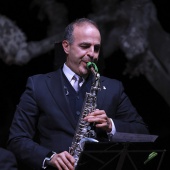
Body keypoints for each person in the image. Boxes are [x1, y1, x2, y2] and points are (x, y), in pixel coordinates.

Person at [7, 18, 149, 170]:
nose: (92, 54)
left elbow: (142, 133)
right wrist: (50, 157)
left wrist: (111, 125)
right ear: (66, 46)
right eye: (85, 46)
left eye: (96, 48)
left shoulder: (114, 87)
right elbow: (17, 139)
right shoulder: (38, 85)